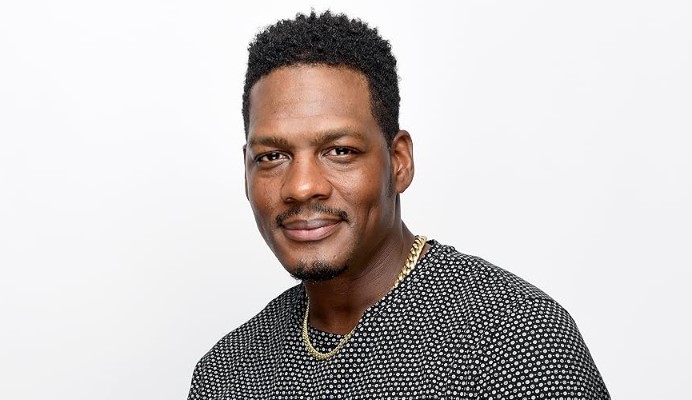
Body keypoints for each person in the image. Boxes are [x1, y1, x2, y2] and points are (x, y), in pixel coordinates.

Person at [188, 10, 609, 399]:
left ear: (399, 161)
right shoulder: (226, 372)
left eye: (340, 151)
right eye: (272, 157)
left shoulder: (517, 341)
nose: (301, 186)